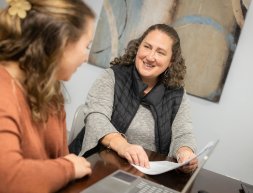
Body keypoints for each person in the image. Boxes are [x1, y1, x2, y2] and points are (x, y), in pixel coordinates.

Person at [0, 0, 95, 193]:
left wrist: (67, 166)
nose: (86, 57)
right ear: (61, 43)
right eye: (86, 46)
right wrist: (68, 168)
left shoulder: (50, 93)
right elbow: (9, 180)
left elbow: (62, 158)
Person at [80, 24, 198, 173]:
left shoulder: (177, 94)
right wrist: (123, 146)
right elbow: (96, 117)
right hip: (100, 166)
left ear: (171, 61)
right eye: (147, 47)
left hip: (147, 173)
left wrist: (185, 152)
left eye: (160, 52)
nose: (150, 57)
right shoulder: (113, 76)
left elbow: (183, 133)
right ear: (138, 48)